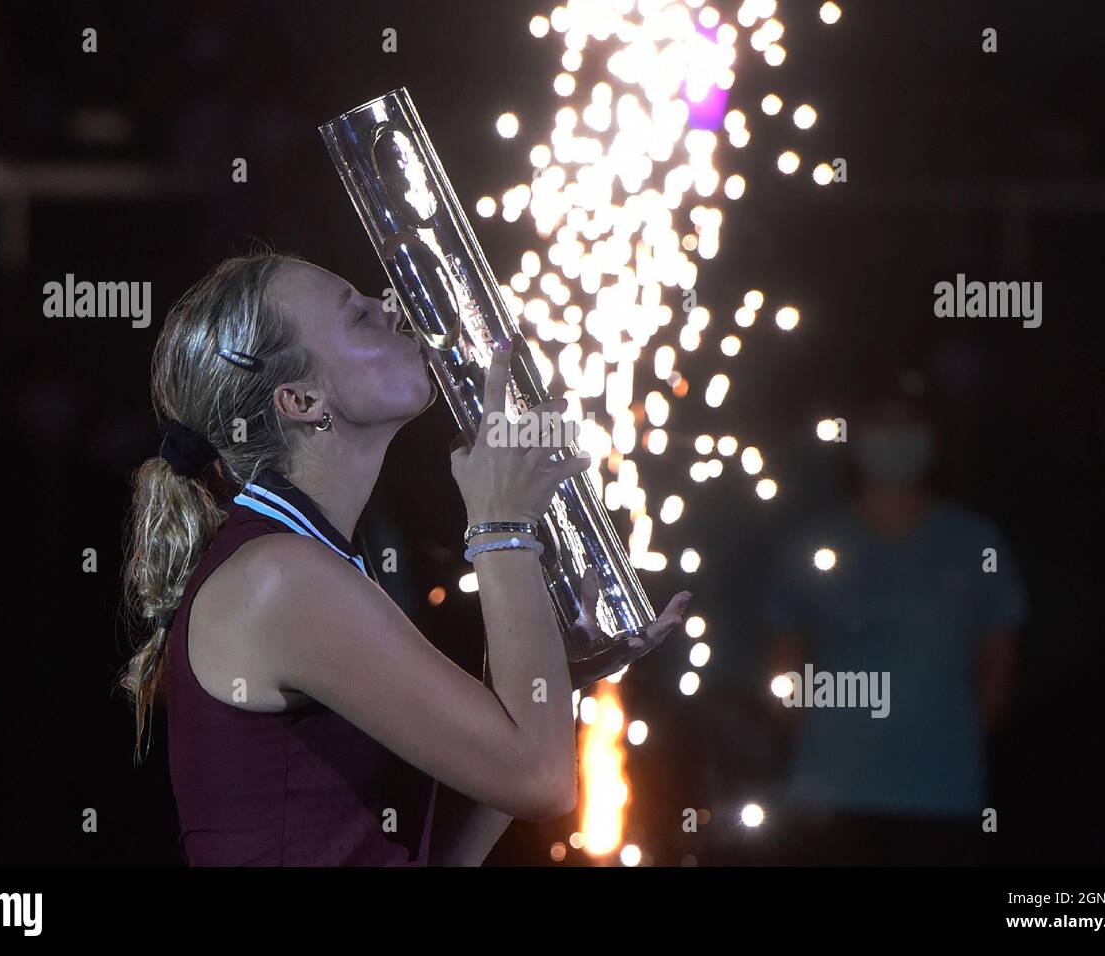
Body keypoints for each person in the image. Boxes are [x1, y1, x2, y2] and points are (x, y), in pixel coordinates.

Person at [120, 251, 688, 866]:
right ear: (302, 400)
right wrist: (500, 524)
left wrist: (550, 675)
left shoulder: (304, 559)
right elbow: (542, 783)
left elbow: (438, 850)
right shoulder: (279, 579)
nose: (392, 308)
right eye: (358, 316)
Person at [762, 389, 1027, 865]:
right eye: (882, 424)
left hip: (942, 795)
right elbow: (785, 670)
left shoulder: (975, 543)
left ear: (933, 439)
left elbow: (998, 676)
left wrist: (943, 742)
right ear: (855, 439)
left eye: (909, 425)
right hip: (830, 796)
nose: (895, 439)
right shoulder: (816, 541)